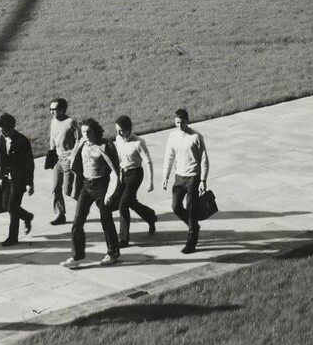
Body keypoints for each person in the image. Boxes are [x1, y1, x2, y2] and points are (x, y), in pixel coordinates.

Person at [62, 118, 120, 268]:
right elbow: (75, 157)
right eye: (83, 132)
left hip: (102, 186)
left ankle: (112, 253)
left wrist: (110, 193)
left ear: (95, 131)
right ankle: (77, 255)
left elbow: (115, 171)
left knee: (106, 221)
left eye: (88, 132)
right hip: (86, 185)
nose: (86, 135)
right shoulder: (82, 142)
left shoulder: (105, 145)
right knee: (77, 222)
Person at [161, 108, 209, 254]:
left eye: (182, 123)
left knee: (191, 209)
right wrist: (165, 176)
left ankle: (191, 242)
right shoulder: (173, 136)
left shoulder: (196, 137)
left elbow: (204, 159)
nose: (179, 126)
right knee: (176, 207)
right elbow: (169, 157)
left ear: (187, 121)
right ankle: (192, 224)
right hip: (179, 177)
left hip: (193, 177)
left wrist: (203, 180)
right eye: (177, 123)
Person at [111, 114, 156, 247]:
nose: (119, 133)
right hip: (123, 173)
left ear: (128, 129)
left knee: (123, 204)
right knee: (130, 202)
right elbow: (118, 158)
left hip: (135, 174)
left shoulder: (138, 143)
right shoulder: (118, 139)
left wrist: (150, 181)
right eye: (117, 130)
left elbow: (148, 162)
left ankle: (124, 239)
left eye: (121, 130)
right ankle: (150, 216)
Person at [0, 113, 35, 246]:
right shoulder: (2, 139)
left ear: (12, 127)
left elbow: (29, 164)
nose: (2, 134)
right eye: (0, 131)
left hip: (20, 179)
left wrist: (30, 183)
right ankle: (27, 216)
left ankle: (12, 238)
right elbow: (3, 160)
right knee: (5, 205)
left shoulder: (22, 141)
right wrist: (2, 178)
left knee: (12, 207)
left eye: (4, 131)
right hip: (8, 179)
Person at [47, 96, 80, 225]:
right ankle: (60, 214)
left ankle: (84, 205)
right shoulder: (53, 121)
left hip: (68, 159)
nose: (52, 112)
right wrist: (51, 153)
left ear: (63, 109)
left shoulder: (71, 122)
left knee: (68, 191)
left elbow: (79, 140)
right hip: (58, 159)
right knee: (55, 188)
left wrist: (72, 155)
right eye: (50, 109)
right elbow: (52, 138)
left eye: (54, 109)